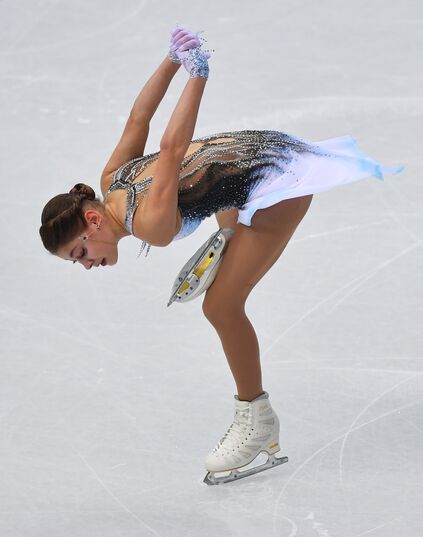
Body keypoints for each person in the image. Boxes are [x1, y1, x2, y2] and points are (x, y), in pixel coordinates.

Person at [39, 27, 404, 485]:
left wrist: (198, 76)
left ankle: (256, 418)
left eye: (79, 253)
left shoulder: (148, 224)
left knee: (221, 305)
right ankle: (232, 233)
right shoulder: (112, 179)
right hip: (251, 155)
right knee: (220, 229)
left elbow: (172, 148)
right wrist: (171, 60)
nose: (87, 264)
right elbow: (139, 117)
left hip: (275, 180)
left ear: (92, 223)